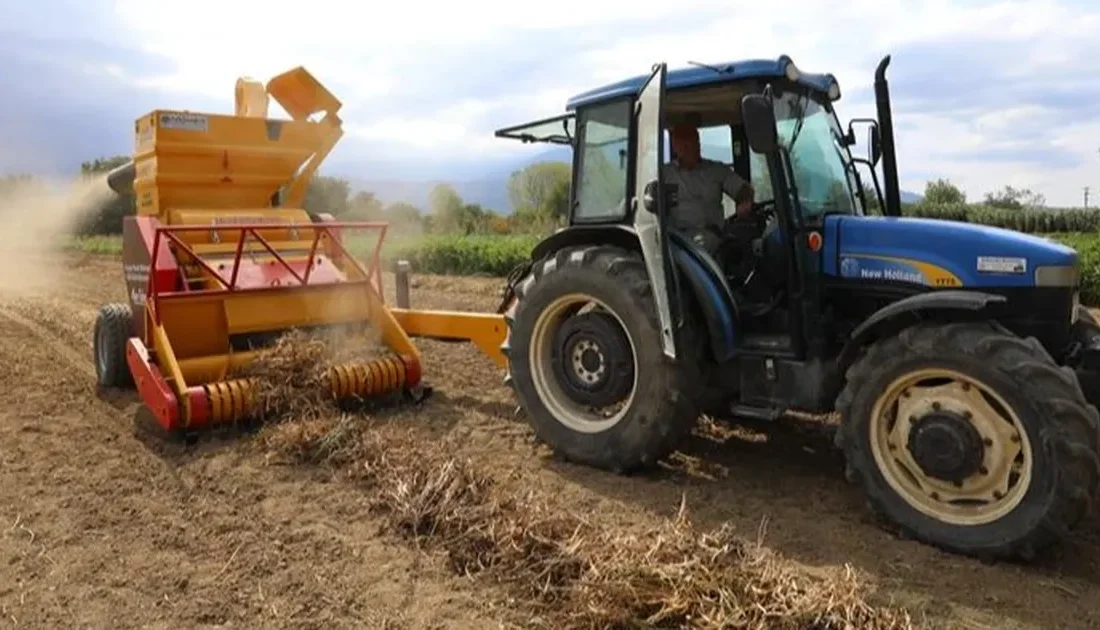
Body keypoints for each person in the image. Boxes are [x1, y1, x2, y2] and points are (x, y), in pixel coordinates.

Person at [661, 123, 755, 255]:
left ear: (698, 144)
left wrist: (744, 202)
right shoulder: (665, 175)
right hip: (678, 238)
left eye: (692, 143)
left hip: (713, 235)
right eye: (683, 145)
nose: (688, 149)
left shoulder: (715, 170)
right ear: (675, 148)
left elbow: (742, 188)